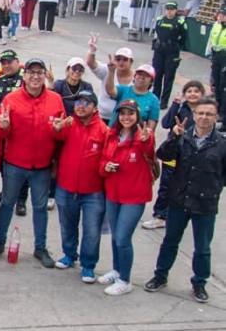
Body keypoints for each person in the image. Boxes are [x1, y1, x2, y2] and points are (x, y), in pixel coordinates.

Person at [144, 97, 226, 303]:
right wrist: (173, 136)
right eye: (201, 113)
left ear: (216, 117)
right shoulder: (182, 136)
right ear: (194, 115)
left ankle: (199, 283)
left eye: (209, 114)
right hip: (179, 200)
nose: (204, 117)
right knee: (170, 241)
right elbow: (163, 155)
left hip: (205, 204)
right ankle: (160, 276)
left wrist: (213, 187)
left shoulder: (222, 144)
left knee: (202, 247)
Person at [0, 58, 64, 268]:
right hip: (14, 164)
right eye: (31, 72)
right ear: (25, 75)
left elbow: (61, 133)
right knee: (7, 204)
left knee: (40, 207)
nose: (35, 77)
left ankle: (40, 247)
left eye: (39, 72)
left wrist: (60, 131)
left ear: (44, 75)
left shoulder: (56, 100)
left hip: (42, 166)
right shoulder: (11, 99)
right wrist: (3, 127)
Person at [97, 100, 155, 295]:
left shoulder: (143, 136)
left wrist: (145, 139)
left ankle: (125, 280)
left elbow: (149, 150)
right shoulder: (112, 135)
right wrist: (106, 167)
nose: (126, 117)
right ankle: (117, 270)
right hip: (113, 193)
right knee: (115, 236)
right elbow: (102, 161)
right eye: (122, 113)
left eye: (130, 113)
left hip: (134, 196)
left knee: (123, 238)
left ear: (137, 116)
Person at [50, 90, 108, 283]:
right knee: (67, 225)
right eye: (77, 103)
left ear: (95, 107)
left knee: (91, 231)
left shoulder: (104, 131)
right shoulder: (68, 123)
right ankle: (69, 254)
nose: (80, 106)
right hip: (66, 187)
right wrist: (56, 128)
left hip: (93, 192)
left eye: (85, 103)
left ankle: (88, 265)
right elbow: (54, 137)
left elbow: (108, 157)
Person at [145, 80, 206, 229]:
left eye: (196, 91)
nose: (192, 94)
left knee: (187, 186)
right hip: (173, 152)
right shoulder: (180, 109)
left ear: (202, 94)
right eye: (189, 91)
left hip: (191, 156)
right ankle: (160, 215)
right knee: (166, 185)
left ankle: (180, 215)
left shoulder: (204, 112)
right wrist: (175, 105)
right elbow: (166, 123)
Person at [151, 1, 186, 108]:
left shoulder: (180, 22)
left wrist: (176, 47)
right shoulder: (159, 20)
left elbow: (184, 38)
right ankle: (155, 98)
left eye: (172, 9)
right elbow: (156, 34)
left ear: (176, 10)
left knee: (168, 78)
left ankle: (164, 101)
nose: (169, 11)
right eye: (168, 9)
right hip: (159, 51)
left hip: (172, 52)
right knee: (157, 76)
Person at [208, 9, 226, 127]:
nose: (220, 17)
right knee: (216, 85)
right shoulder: (216, 26)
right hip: (216, 57)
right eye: (220, 15)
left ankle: (223, 114)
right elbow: (211, 40)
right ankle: (218, 111)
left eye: (223, 15)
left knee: (224, 87)